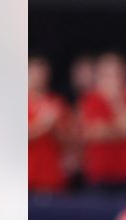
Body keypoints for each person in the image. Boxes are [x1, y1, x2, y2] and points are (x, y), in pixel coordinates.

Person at [77, 53, 126, 191]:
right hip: (99, 175)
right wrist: (123, 130)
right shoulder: (90, 100)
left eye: (117, 74)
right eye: (107, 75)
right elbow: (92, 133)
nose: (113, 79)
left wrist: (117, 101)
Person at [28, 57, 72, 193]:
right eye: (34, 73)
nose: (38, 77)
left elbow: (69, 140)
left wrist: (55, 128)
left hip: (51, 179)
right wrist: (44, 124)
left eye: (42, 73)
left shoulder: (57, 103)